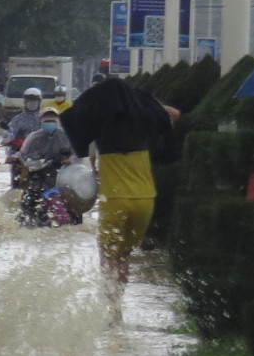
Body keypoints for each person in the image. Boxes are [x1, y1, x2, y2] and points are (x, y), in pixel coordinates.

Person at [59, 76, 179, 297]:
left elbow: (75, 126)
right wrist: (147, 103)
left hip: (115, 201)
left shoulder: (103, 128)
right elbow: (173, 114)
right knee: (124, 255)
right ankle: (119, 301)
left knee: (108, 257)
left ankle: (114, 311)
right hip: (145, 201)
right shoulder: (143, 128)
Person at [16, 107, 76, 227]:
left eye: (52, 119)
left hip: (59, 176)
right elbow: (23, 154)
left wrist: (70, 159)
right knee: (27, 200)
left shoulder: (66, 136)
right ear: (41, 121)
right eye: (46, 119)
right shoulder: (34, 137)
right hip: (37, 175)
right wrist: (16, 158)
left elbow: (77, 153)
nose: (49, 122)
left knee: (67, 208)